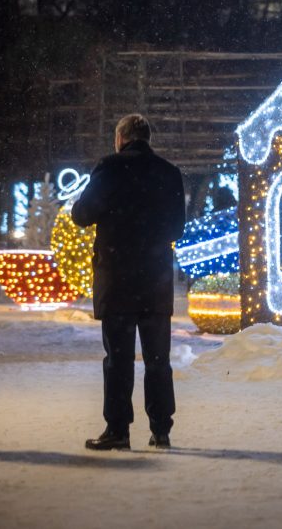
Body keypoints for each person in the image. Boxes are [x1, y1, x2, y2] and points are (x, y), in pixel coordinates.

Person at [72, 114, 185, 451]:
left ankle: (118, 429)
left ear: (121, 138)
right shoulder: (169, 173)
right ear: (147, 139)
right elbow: (177, 228)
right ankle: (161, 430)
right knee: (158, 360)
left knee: (118, 359)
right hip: (155, 278)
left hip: (118, 278)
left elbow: (81, 215)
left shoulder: (109, 167)